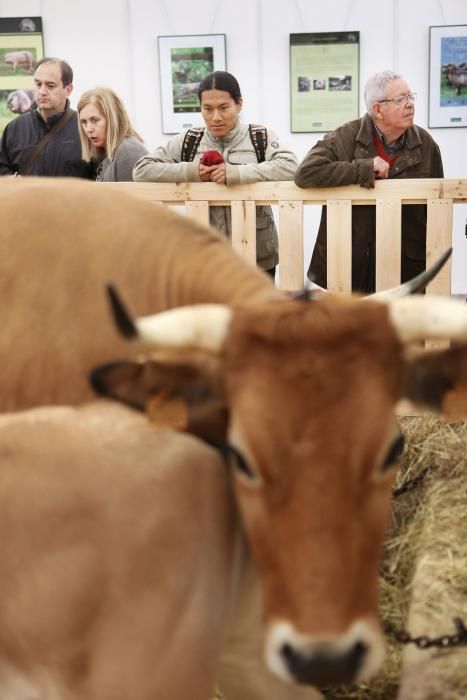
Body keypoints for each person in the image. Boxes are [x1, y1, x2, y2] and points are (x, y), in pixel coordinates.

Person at [133, 71, 298, 276]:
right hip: (208, 257)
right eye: (207, 109)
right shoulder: (189, 140)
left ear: (239, 104)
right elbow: (142, 169)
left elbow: (291, 166)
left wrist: (237, 173)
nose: (216, 117)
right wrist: (192, 171)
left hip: (258, 255)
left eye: (224, 108)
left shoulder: (260, 137)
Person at [294, 70, 444, 293]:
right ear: (378, 109)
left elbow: (438, 206)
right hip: (353, 263)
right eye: (400, 99)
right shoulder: (345, 137)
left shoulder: (426, 144)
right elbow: (305, 173)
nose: (410, 104)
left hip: (407, 263)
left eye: (411, 96)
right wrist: (363, 168)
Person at [0, 57, 81, 176]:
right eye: (38, 84)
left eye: (50, 85)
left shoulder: (84, 127)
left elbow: (98, 173)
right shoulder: (15, 127)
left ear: (68, 90)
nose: (42, 91)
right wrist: (10, 179)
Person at [76, 87, 148, 181]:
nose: (88, 129)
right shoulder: (114, 152)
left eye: (94, 120)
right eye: (84, 122)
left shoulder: (127, 152)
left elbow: (131, 195)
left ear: (113, 118)